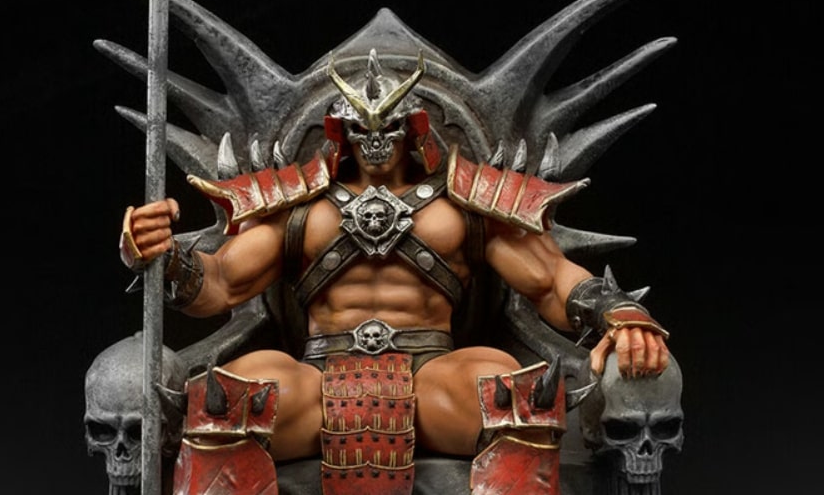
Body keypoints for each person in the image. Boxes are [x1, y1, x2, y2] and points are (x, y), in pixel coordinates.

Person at [119, 50, 670, 495]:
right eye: (362, 128)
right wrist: (164, 255)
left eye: (389, 126)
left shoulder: (464, 203)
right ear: (340, 131)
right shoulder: (299, 206)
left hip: (435, 377)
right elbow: (219, 283)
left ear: (415, 128)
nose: (376, 140)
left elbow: (549, 279)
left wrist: (619, 312)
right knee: (223, 403)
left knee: (518, 399)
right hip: (316, 378)